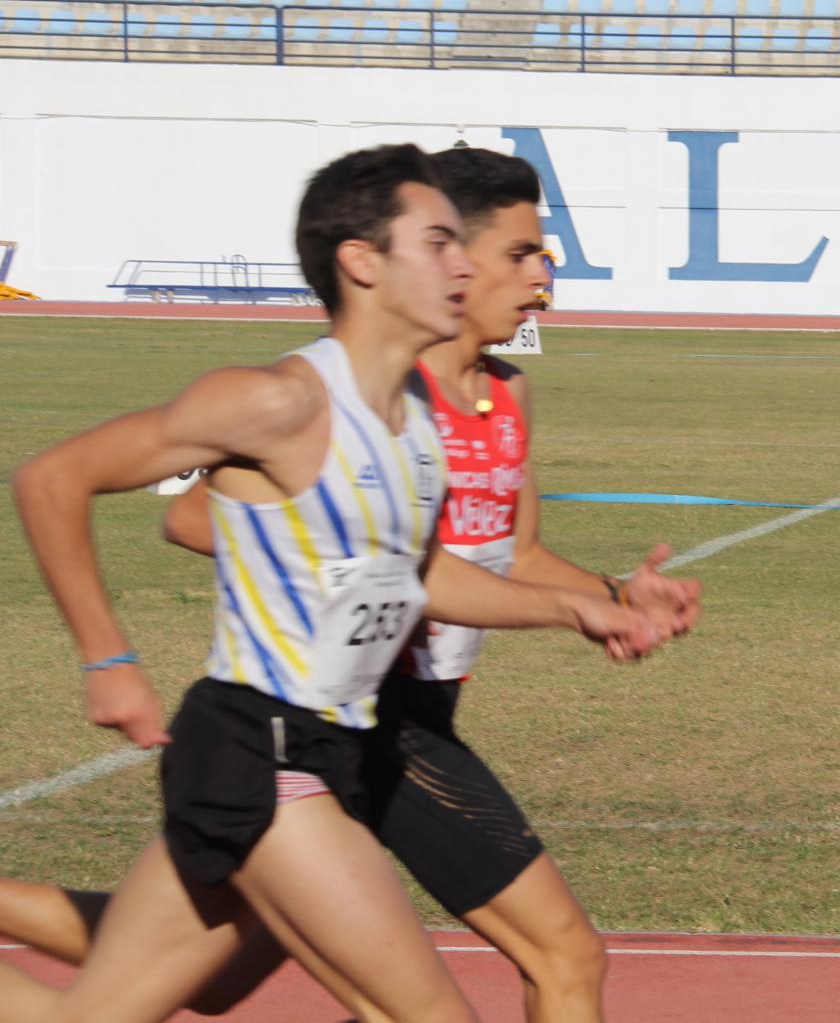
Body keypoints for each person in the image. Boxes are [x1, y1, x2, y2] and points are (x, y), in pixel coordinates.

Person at [0, 146, 701, 1022]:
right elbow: (53, 479)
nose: (463, 265)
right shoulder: (279, 401)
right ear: (363, 261)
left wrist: (584, 606)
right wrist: (109, 661)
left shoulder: (413, 427)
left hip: (333, 744)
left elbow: (421, 574)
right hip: (265, 749)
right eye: (440, 243)